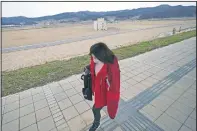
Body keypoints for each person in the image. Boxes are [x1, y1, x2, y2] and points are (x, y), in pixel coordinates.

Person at [89, 42, 120, 131]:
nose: (92, 57)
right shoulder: (95, 60)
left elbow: (115, 81)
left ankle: (96, 123)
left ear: (101, 55)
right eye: (92, 55)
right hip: (98, 90)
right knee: (97, 107)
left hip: (105, 92)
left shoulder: (110, 65)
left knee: (95, 109)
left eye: (94, 56)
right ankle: (97, 121)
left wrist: (109, 81)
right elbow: (93, 70)